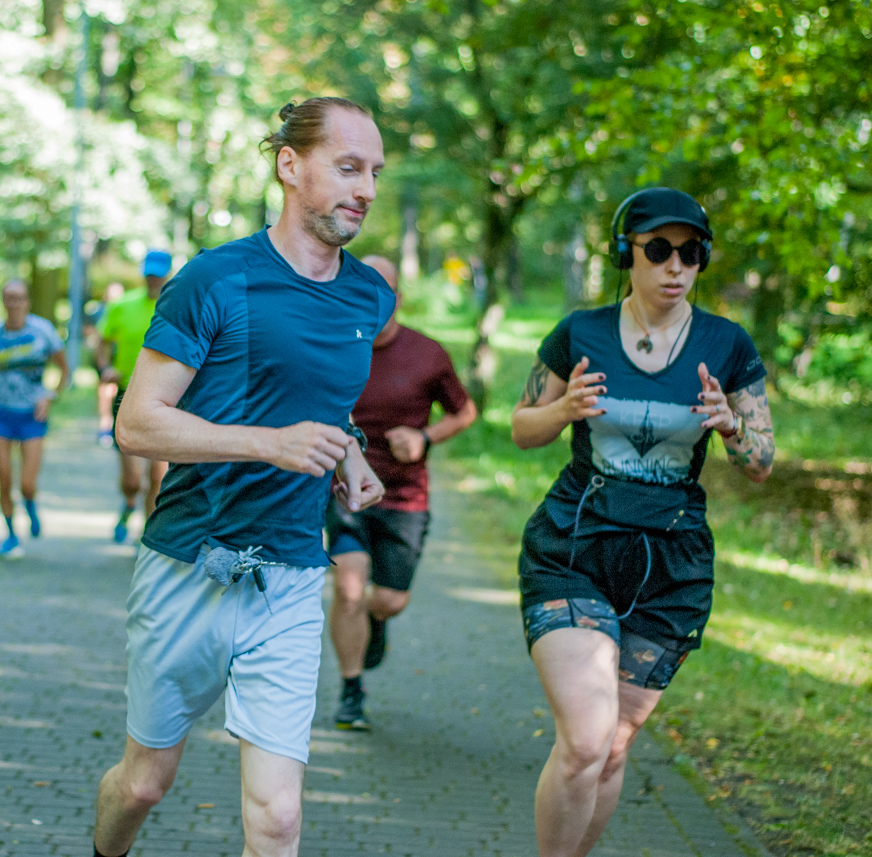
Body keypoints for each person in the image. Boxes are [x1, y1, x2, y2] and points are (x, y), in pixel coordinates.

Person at [90, 96, 395, 857]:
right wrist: (270, 445)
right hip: (189, 563)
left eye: (375, 173)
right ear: (290, 165)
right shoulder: (215, 279)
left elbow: (322, 401)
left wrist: (349, 451)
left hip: (289, 574)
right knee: (143, 784)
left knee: (279, 816)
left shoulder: (368, 293)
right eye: (348, 168)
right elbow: (137, 423)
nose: (365, 189)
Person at [510, 187, 774, 857]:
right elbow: (522, 428)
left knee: (612, 748)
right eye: (658, 249)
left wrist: (732, 426)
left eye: (691, 252)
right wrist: (564, 408)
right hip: (575, 547)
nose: (675, 266)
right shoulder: (581, 333)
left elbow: (761, 463)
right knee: (585, 739)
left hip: (671, 566)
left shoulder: (727, 345)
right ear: (626, 253)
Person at [325, 255, 477, 731]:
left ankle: (375, 621)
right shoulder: (331, 345)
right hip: (346, 492)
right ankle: (352, 691)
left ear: (398, 298)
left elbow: (464, 412)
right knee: (348, 588)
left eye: (383, 290)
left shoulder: (428, 354)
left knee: (390, 600)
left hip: (405, 496)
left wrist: (424, 438)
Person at [0, 279, 68, 558]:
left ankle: (30, 504)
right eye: (9, 298)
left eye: (19, 298)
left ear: (27, 301)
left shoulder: (43, 331)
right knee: (4, 478)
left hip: (31, 415)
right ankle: (11, 536)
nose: (14, 304)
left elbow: (64, 369)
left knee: (27, 483)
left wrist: (50, 397)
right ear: (3, 302)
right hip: (0, 413)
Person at [97, 254, 171, 543]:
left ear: (167, 275)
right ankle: (129, 504)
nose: (153, 280)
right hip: (128, 394)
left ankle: (147, 536)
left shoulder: (177, 307)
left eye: (158, 275)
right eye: (149, 275)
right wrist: (105, 367)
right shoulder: (122, 305)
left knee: (158, 477)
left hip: (167, 398)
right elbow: (101, 342)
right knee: (132, 479)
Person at [90, 282, 127, 447]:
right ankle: (105, 426)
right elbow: (98, 337)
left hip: (121, 361)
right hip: (108, 361)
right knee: (105, 392)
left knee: (113, 394)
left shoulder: (126, 309)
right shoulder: (99, 312)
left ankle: (111, 427)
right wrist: (104, 366)